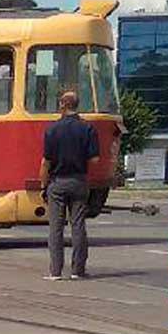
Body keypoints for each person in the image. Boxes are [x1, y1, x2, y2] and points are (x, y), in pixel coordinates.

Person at [40, 91, 100, 280]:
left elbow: (45, 162)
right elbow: (95, 159)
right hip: (78, 181)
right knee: (78, 225)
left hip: (57, 183)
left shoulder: (52, 130)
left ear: (62, 105)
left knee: (56, 228)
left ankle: (55, 271)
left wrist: (44, 186)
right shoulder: (87, 129)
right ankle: (77, 270)